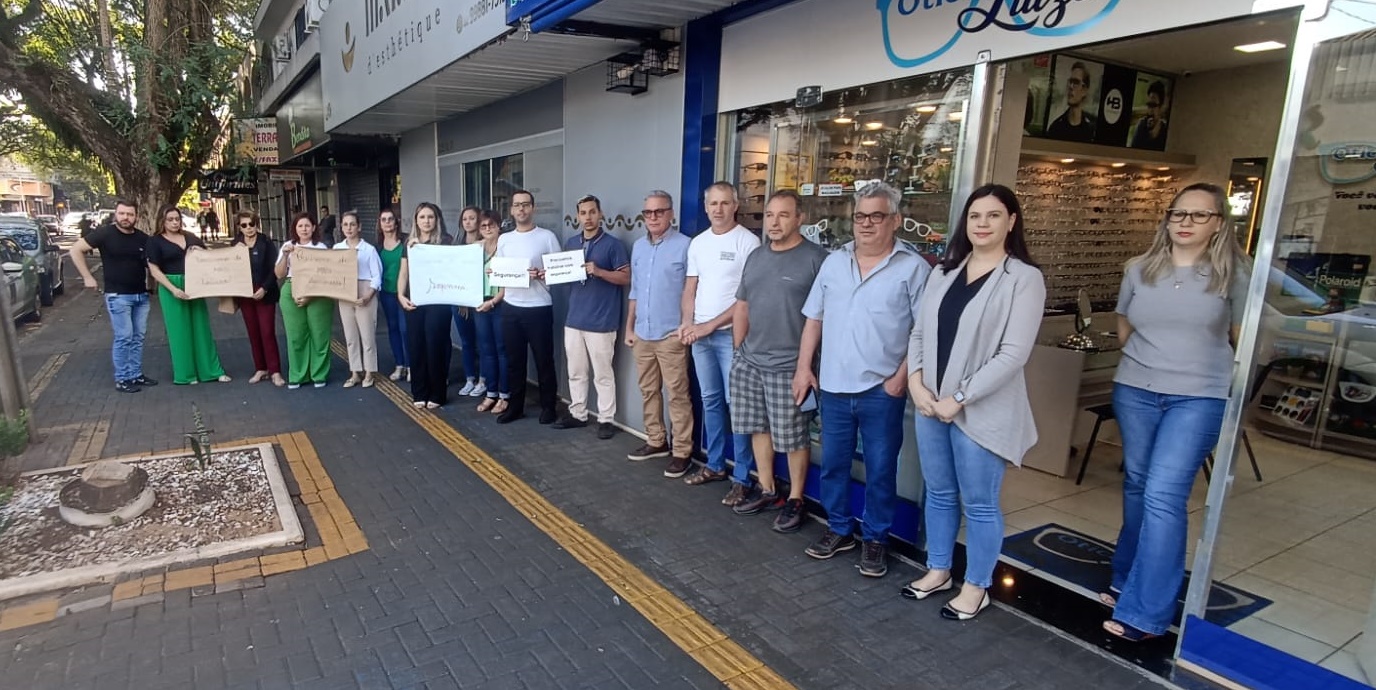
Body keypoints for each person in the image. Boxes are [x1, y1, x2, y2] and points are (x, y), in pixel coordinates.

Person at [1101, 183, 1249, 642]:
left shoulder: (1234, 274)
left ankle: (1146, 614)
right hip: (1136, 390)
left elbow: (1242, 340)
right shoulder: (1139, 269)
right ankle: (1125, 577)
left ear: (1218, 224)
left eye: (1199, 215)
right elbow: (1124, 328)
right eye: (1178, 213)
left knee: (1164, 495)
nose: (1185, 222)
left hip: (1198, 397)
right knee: (1137, 486)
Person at [904, 184, 1045, 621]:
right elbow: (919, 333)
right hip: (931, 405)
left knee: (980, 502)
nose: (982, 224)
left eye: (993, 215)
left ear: (1011, 221)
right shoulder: (944, 272)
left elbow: (1013, 354)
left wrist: (960, 397)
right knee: (940, 493)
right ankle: (939, 570)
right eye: (975, 216)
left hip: (979, 410)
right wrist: (916, 383)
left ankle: (976, 586)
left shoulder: (1023, 279)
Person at [797, 181, 929, 576]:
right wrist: (804, 367)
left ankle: (875, 539)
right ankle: (839, 529)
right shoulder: (833, 263)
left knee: (880, 470)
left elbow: (923, 332)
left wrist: (900, 379)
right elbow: (814, 319)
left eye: (876, 216)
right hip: (834, 386)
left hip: (881, 390)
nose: (867, 224)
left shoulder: (913, 268)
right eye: (860, 216)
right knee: (834, 465)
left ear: (896, 220)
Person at [729, 191, 828, 534]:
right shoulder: (756, 256)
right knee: (758, 427)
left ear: (800, 218)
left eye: (783, 215)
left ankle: (796, 499)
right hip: (750, 360)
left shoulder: (817, 259)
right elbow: (742, 305)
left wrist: (807, 365)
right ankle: (768, 488)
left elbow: (823, 317)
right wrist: (738, 351)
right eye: (769, 215)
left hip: (790, 366)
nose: (774, 222)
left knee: (794, 436)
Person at [679, 182, 760, 506]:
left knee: (736, 406)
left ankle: (742, 478)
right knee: (711, 401)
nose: (718, 209)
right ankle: (714, 465)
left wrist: (708, 325)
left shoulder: (748, 242)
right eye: (713, 203)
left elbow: (747, 300)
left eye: (725, 203)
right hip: (700, 338)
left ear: (735, 205)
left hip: (730, 337)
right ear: (705, 206)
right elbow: (690, 288)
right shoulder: (698, 243)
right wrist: (688, 323)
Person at [625, 191, 695, 477]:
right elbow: (635, 291)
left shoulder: (686, 246)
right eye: (648, 212)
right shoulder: (639, 247)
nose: (653, 217)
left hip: (671, 335)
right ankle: (656, 441)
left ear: (671, 214)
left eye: (659, 211)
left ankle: (682, 451)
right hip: (643, 333)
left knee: (677, 395)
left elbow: (692, 291)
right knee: (648, 390)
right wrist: (629, 327)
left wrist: (686, 326)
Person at [551, 195, 630, 440]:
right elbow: (563, 274)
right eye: (583, 213)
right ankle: (578, 413)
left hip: (601, 322)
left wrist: (600, 271)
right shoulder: (571, 243)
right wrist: (548, 273)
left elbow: (626, 277)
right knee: (576, 371)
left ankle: (606, 419)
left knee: (603, 374)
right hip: (574, 319)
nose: (588, 217)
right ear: (578, 216)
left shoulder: (613, 245)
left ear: (600, 214)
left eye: (592, 212)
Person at [69, 199, 158, 393]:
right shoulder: (104, 234)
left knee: (138, 337)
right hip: (118, 296)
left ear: (136, 216)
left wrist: (153, 286)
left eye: (130, 214)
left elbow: (152, 265)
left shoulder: (142, 238)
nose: (126, 217)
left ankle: (135, 374)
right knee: (124, 337)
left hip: (141, 296)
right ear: (116, 214)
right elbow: (75, 250)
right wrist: (87, 277)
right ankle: (123, 378)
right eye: (122, 213)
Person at [494, 189, 562, 424]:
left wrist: (544, 274)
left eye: (525, 204)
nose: (521, 209)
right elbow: (500, 269)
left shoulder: (547, 237)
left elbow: (559, 270)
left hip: (538, 307)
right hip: (511, 306)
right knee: (515, 361)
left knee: (544, 360)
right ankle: (515, 407)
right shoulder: (504, 239)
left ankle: (548, 407)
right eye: (517, 205)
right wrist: (494, 272)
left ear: (533, 208)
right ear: (511, 210)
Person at [145, 204, 230, 385]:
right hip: (171, 285)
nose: (175, 222)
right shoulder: (155, 241)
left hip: (194, 283)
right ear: (162, 221)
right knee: (179, 331)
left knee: (201, 328)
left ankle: (211, 371)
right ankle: (186, 374)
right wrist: (173, 289)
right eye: (170, 219)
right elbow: (154, 270)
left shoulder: (191, 237)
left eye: (177, 219)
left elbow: (208, 258)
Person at [397, 202, 453, 409]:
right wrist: (400, 295)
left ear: (437, 220)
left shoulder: (446, 242)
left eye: (430, 217)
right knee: (416, 345)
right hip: (415, 301)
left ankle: (437, 394)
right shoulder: (410, 244)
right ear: (416, 220)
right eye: (422, 217)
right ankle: (419, 392)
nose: (426, 221)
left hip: (439, 301)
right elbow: (404, 273)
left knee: (435, 346)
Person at [275, 212, 332, 389]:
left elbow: (327, 275)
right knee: (296, 335)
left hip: (318, 292)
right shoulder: (288, 246)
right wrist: (285, 256)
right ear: (295, 228)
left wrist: (310, 295)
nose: (304, 229)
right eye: (300, 226)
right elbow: (279, 274)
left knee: (319, 334)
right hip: (292, 288)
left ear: (314, 228)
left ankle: (319, 374)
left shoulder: (321, 248)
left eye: (307, 225)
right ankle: (298, 374)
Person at [230, 211, 284, 387]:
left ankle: (275, 371)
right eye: (244, 225)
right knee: (253, 333)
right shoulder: (235, 244)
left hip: (264, 292)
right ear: (239, 227)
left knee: (267, 332)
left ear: (256, 224)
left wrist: (265, 288)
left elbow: (274, 269)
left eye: (251, 224)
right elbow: (229, 268)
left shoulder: (266, 242)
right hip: (245, 294)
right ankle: (261, 368)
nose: (248, 228)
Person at [334, 210, 383, 389]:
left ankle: (369, 372)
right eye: (345, 224)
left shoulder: (368, 250)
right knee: (350, 336)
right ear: (341, 227)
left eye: (352, 224)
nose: (349, 228)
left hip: (364, 290)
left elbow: (377, 276)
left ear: (359, 227)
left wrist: (368, 295)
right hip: (345, 293)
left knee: (367, 336)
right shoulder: (337, 249)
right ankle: (355, 372)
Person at [473, 210, 512, 415]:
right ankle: (491, 393)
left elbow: (509, 280)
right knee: (486, 350)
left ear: (499, 226)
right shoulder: (475, 249)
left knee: (502, 350)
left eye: (491, 225)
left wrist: (494, 301)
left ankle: (504, 395)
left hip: (501, 302)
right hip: (480, 303)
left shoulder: (506, 247)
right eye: (483, 226)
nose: (488, 229)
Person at [453, 206, 485, 398]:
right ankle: (469, 379)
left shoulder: (486, 244)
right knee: (467, 342)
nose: (468, 222)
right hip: (460, 302)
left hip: (481, 301)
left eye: (472, 218)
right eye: (465, 219)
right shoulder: (456, 244)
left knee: (483, 342)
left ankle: (483, 380)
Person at [377, 209, 410, 382]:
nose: (387, 222)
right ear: (380, 224)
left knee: (405, 329)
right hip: (387, 293)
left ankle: (410, 365)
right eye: (384, 220)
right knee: (393, 328)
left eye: (390, 219)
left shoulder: (406, 243)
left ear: (396, 222)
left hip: (404, 293)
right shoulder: (377, 247)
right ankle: (399, 364)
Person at [1046, 61, 1097, 142]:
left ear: (1084, 90)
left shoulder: (1092, 128)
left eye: (1076, 82)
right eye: (1070, 82)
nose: (1071, 87)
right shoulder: (1056, 127)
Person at [1129, 81, 1170, 150]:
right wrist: (1150, 136)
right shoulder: (1142, 125)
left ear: (1161, 107)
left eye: (1153, 105)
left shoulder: (1165, 130)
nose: (1150, 110)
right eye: (1149, 105)